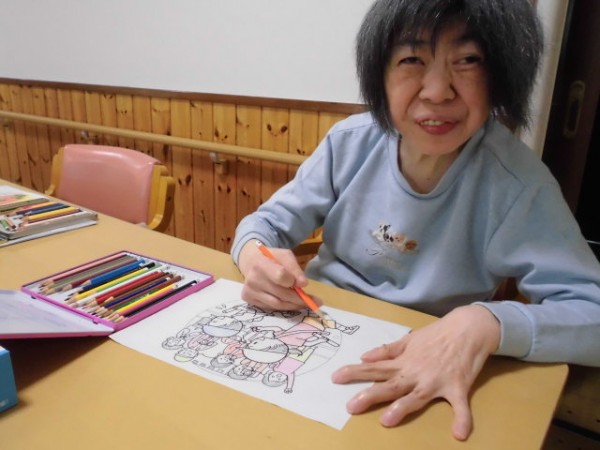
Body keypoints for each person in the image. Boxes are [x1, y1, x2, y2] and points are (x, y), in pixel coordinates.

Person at [230, 0, 600, 441]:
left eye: (468, 60)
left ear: (499, 75)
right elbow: (265, 225)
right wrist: (255, 257)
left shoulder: (518, 184)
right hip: (311, 332)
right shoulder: (349, 142)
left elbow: (593, 315)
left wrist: (485, 322)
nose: (438, 91)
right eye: (411, 59)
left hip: (428, 369)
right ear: (380, 75)